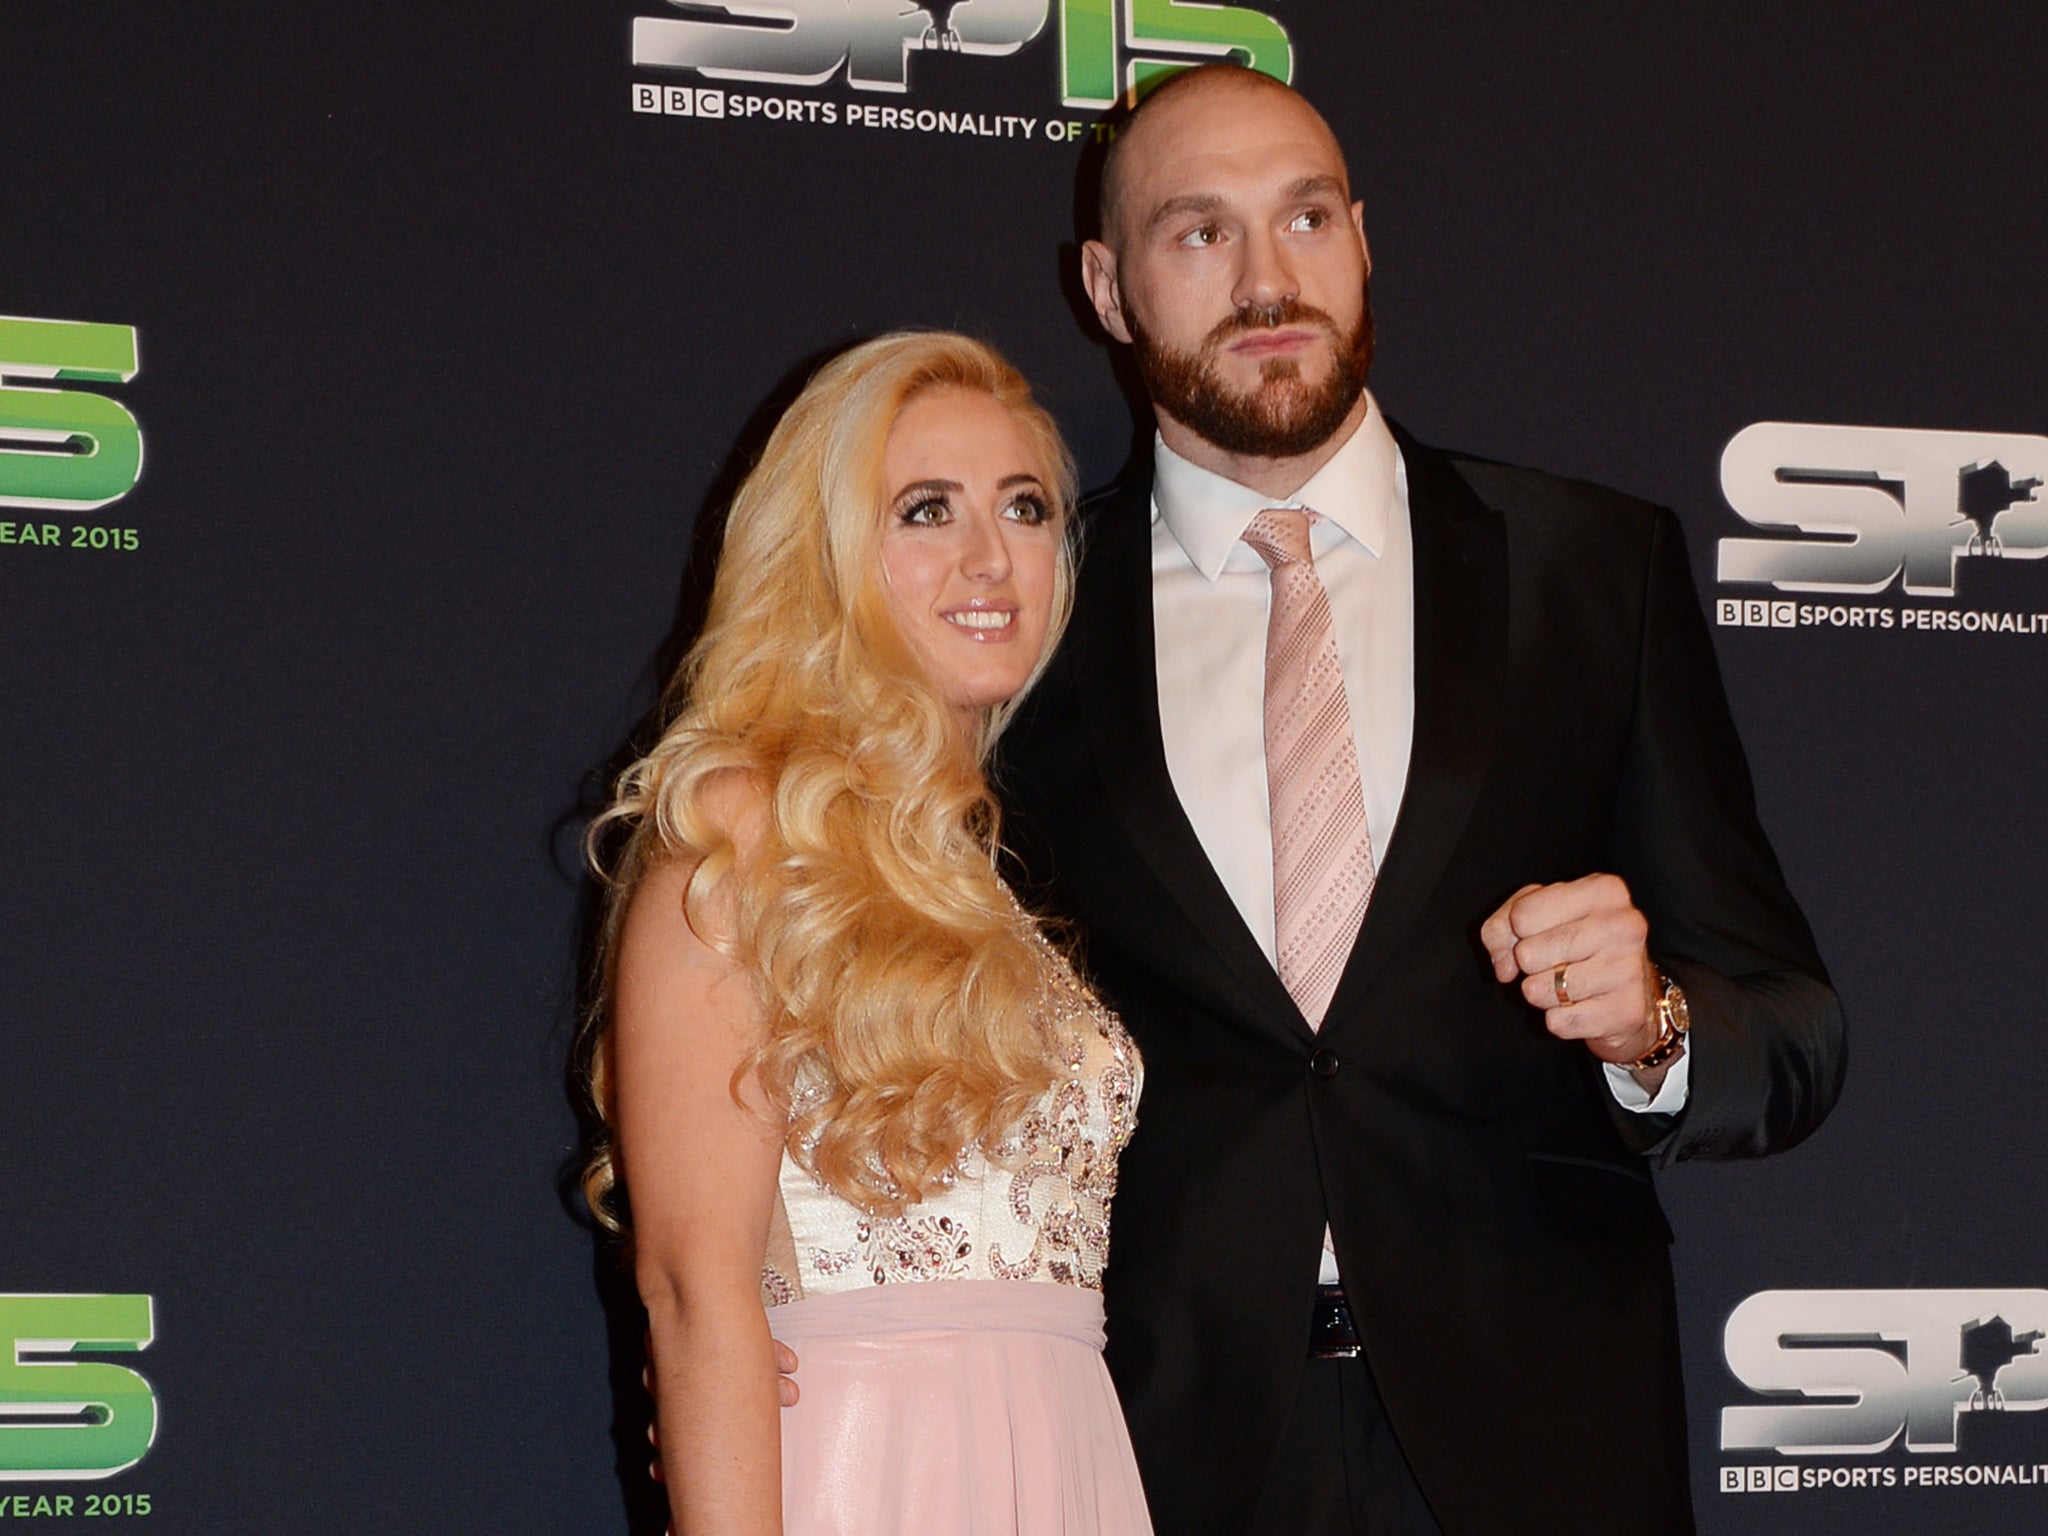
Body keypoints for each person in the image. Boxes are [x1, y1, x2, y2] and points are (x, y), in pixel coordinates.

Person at [990, 64, 1848, 1536]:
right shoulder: (1021, 621)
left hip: (1540, 1438)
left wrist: (1655, 1029)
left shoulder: (1589, 568)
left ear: (1365, 239)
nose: (1270, 280)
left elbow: (1794, 1031)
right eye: (1200, 234)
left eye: (1307, 217)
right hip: (1159, 1444)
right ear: (1107, 286)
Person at [581, 331, 1153, 1535]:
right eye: (925, 510)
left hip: (1070, 1462)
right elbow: (694, 1289)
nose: (991, 556)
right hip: (863, 1467)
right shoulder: (738, 831)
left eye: (1026, 507)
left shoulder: (982, 881)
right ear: (827, 552)